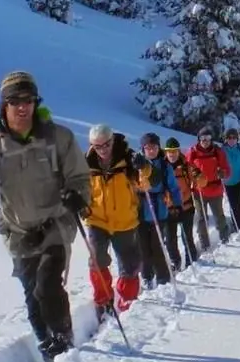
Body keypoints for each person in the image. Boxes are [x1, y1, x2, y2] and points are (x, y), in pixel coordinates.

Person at [0, 71, 88, 362]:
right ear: (4, 105)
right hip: (18, 231)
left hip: (56, 225)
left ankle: (64, 341)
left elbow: (80, 177)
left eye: (29, 100)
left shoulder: (58, 137)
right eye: (15, 101)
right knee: (33, 301)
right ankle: (47, 345)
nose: (22, 107)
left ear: (36, 103)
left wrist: (77, 195)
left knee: (47, 285)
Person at [83, 123, 145, 313]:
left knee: (129, 264)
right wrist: (79, 203)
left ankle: (127, 299)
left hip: (124, 220)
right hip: (97, 219)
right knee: (96, 260)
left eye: (106, 145)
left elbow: (146, 182)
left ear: (112, 141)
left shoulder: (127, 158)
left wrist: (144, 167)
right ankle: (103, 300)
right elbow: (79, 186)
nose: (102, 150)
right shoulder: (87, 163)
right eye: (97, 146)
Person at [135, 133, 180, 286]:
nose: (151, 151)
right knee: (143, 247)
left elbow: (173, 187)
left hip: (159, 208)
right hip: (140, 209)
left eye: (154, 147)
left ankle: (163, 277)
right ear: (143, 149)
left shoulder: (164, 165)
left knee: (157, 245)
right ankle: (147, 276)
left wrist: (176, 205)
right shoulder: (137, 164)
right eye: (148, 148)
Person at [185, 130, 234, 246]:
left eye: (208, 137)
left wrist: (223, 173)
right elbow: (187, 169)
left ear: (211, 139)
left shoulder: (217, 152)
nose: (205, 141)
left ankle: (224, 238)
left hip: (215, 189)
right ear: (199, 139)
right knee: (201, 219)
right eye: (203, 138)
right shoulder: (193, 152)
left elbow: (227, 169)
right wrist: (194, 175)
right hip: (199, 191)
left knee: (219, 216)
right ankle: (204, 244)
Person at [165, 137, 202, 266]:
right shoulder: (162, 168)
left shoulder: (186, 166)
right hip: (169, 209)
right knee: (170, 241)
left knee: (187, 238)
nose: (172, 154)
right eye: (169, 151)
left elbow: (200, 181)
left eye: (174, 151)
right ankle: (175, 262)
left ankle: (191, 262)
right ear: (166, 152)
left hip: (186, 207)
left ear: (178, 151)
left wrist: (199, 176)